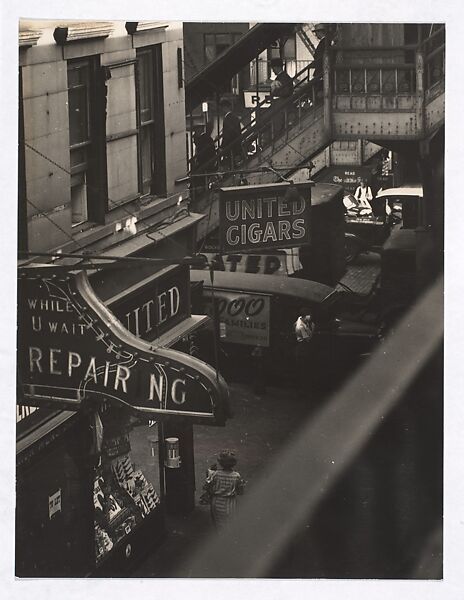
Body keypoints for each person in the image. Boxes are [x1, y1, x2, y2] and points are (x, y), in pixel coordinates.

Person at [203, 450, 245, 528]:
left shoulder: (215, 474)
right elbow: (240, 491)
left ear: (220, 463)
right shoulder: (236, 476)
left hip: (216, 501)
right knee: (230, 522)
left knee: (217, 522)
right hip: (230, 502)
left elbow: (208, 484)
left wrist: (210, 470)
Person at [269, 57, 294, 137]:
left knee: (278, 125)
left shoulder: (282, 78)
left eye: (273, 68)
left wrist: (275, 91)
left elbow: (286, 92)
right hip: (282, 105)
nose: (273, 70)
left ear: (277, 67)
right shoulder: (285, 77)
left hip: (280, 105)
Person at [192, 122, 216, 193]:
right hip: (208, 161)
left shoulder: (203, 139)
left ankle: (198, 190)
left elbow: (202, 152)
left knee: (198, 175)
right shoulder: (207, 138)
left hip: (205, 162)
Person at [219, 98, 242, 170]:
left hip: (230, 145)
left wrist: (222, 146)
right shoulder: (234, 117)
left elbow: (227, 134)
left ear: (224, 107)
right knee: (234, 163)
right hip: (235, 144)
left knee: (230, 162)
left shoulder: (228, 118)